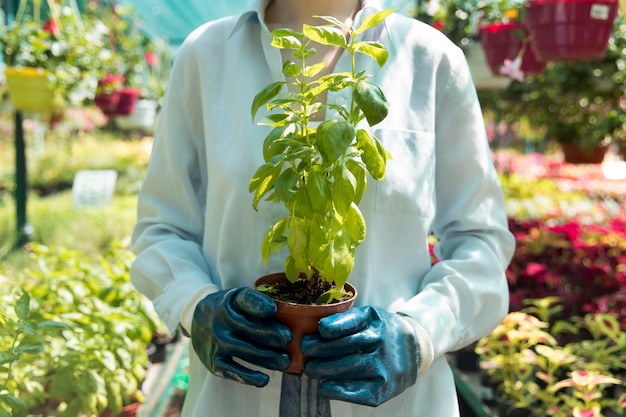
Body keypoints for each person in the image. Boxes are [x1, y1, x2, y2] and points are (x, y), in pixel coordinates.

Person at [130, 0, 516, 416]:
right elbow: (163, 226)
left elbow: (480, 240)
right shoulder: (206, 55)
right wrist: (195, 305)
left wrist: (419, 333)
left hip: (390, 403)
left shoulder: (429, 58)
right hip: (239, 390)